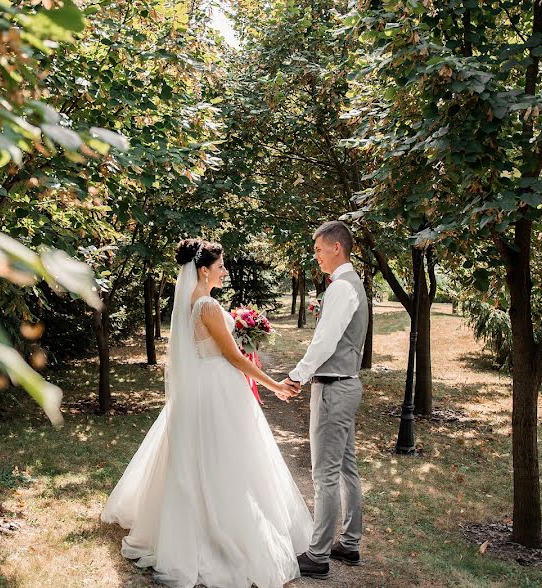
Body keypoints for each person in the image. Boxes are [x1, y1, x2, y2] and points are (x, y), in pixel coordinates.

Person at [101, 238, 313, 588]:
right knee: (229, 458)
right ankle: (222, 530)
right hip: (218, 388)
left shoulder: (191, 302)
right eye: (220, 266)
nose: (225, 270)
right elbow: (233, 357)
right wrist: (275, 385)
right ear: (204, 270)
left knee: (201, 456)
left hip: (202, 387)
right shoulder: (208, 307)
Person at [282, 221, 368, 579]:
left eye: (318, 249)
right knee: (346, 468)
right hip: (346, 385)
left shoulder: (341, 288)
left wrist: (296, 375)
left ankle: (317, 556)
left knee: (325, 474)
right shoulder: (353, 285)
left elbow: (325, 342)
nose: (315, 255)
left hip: (333, 389)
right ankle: (349, 543)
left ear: (336, 247)